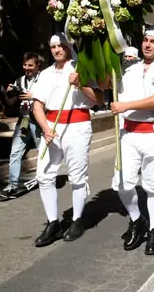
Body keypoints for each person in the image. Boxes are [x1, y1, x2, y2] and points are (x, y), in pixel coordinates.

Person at [111, 27, 154, 255]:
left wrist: (126, 106)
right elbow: (110, 89)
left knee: (153, 187)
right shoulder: (130, 70)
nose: (147, 45)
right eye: (145, 40)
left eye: (153, 42)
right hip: (129, 134)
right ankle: (137, 219)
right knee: (122, 183)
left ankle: (153, 230)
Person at [31, 34, 103, 247]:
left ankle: (77, 220)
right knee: (43, 174)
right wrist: (45, 128)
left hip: (77, 126)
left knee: (77, 175)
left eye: (61, 45)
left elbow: (98, 99)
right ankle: (53, 223)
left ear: (68, 46)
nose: (57, 50)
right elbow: (37, 105)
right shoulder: (44, 74)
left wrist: (80, 84)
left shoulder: (82, 68)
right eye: (53, 46)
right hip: (52, 126)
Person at [0, 52, 41, 200]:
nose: (27, 68)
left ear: (37, 66)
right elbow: (10, 103)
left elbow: (51, 99)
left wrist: (33, 96)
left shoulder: (43, 80)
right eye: (25, 65)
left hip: (39, 121)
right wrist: (8, 93)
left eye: (30, 65)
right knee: (15, 152)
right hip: (24, 121)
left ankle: (43, 177)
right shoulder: (20, 81)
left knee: (42, 151)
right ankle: (13, 185)